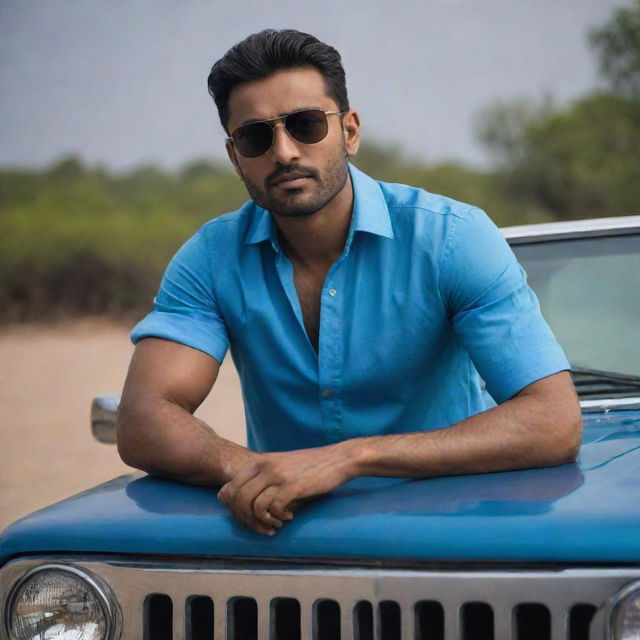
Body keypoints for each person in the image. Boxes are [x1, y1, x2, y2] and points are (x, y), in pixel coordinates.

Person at [117, 29, 582, 536]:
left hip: (453, 528)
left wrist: (349, 459)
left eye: (306, 124)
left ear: (350, 131)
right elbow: (144, 418)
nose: (285, 151)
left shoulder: (452, 238)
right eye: (256, 136)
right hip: (291, 538)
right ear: (235, 156)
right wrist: (251, 471)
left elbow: (553, 421)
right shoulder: (210, 258)